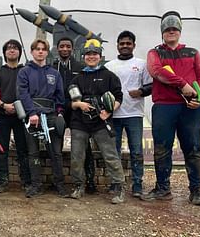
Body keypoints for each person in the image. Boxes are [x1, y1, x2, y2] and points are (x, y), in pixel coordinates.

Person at [142, 11, 200, 205]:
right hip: (164, 107)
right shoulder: (155, 53)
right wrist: (182, 84)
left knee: (193, 148)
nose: (171, 31)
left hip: (190, 107)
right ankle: (163, 188)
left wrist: (199, 96)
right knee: (162, 149)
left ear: (179, 31)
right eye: (167, 29)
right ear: (162, 32)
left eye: (174, 29)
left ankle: (197, 190)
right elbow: (156, 71)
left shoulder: (193, 53)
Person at [66, 39, 126, 204]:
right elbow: (69, 102)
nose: (91, 57)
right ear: (84, 56)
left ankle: (119, 187)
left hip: (101, 122)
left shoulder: (109, 76)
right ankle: (78, 186)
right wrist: (79, 104)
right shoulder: (77, 78)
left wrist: (108, 111)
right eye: (88, 54)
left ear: (100, 56)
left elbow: (119, 97)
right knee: (77, 156)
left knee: (110, 155)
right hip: (79, 122)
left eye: (95, 54)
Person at [17, 38, 67, 198]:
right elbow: (22, 94)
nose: (40, 51)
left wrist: (59, 113)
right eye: (37, 49)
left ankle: (59, 184)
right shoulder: (24, 71)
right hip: (32, 117)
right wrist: (32, 113)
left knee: (56, 153)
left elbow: (60, 96)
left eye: (43, 49)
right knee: (33, 153)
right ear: (32, 51)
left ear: (47, 52)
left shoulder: (54, 73)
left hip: (51, 116)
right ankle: (36, 185)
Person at [105, 30, 153, 198]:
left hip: (134, 114)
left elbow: (151, 86)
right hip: (114, 115)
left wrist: (141, 91)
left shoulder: (141, 64)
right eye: (122, 43)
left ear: (134, 45)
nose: (125, 46)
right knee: (114, 151)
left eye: (128, 43)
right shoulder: (109, 66)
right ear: (117, 46)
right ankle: (116, 183)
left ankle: (137, 184)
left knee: (137, 151)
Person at [53, 37, 97, 193]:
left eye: (68, 46)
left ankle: (90, 181)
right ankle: (57, 182)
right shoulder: (52, 67)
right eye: (62, 46)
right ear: (57, 48)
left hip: (77, 111)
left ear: (72, 49)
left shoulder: (80, 66)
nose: (65, 49)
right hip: (58, 110)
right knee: (55, 146)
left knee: (84, 147)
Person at [0, 39, 31, 193]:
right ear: (5, 52)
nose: (12, 50)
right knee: (2, 149)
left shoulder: (25, 71)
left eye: (15, 48)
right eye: (8, 48)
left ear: (20, 52)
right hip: (2, 115)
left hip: (22, 116)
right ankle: (2, 181)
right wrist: (3, 105)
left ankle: (26, 181)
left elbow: (29, 92)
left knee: (23, 149)